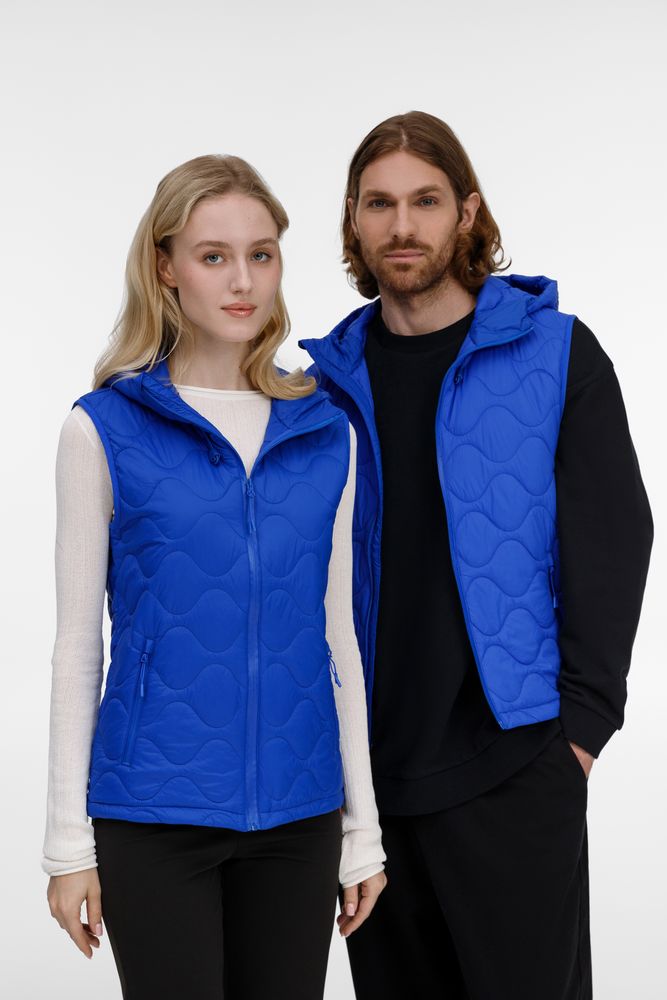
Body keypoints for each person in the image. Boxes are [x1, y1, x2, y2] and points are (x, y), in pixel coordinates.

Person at [298, 111, 654, 1000]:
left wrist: (578, 733)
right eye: (378, 204)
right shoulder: (321, 386)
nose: (401, 226)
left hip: (515, 763)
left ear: (466, 211)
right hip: (371, 787)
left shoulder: (555, 353)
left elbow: (614, 537)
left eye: (424, 201)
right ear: (352, 221)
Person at [42, 153, 387, 1000]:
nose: (243, 281)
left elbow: (337, 637)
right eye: (213, 256)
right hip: (154, 813)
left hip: (300, 815)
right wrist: (66, 845)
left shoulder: (325, 433)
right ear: (165, 267)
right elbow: (78, 647)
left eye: (261, 254)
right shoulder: (104, 429)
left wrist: (362, 830)